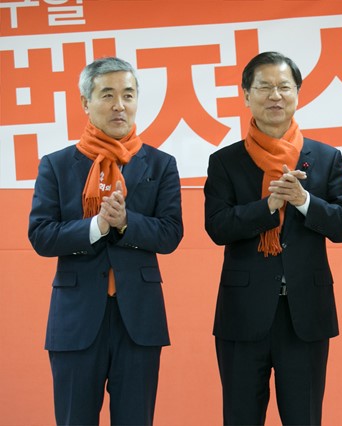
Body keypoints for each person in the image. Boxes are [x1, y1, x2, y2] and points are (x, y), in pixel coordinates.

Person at [204, 51, 342, 425]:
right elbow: (218, 227)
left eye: (284, 87)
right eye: (264, 87)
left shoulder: (325, 158)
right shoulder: (225, 161)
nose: (275, 95)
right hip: (243, 312)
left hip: (305, 313)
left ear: (297, 94)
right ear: (246, 95)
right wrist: (268, 207)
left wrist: (304, 201)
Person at [28, 57, 184, 425]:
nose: (119, 105)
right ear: (85, 102)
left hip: (138, 319)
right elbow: (41, 235)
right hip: (77, 318)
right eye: (108, 95)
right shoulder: (57, 165)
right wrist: (96, 226)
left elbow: (170, 233)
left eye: (128, 95)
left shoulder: (160, 164)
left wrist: (127, 222)